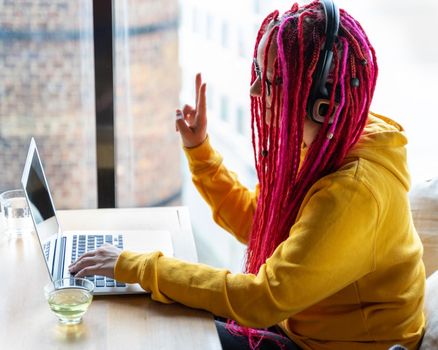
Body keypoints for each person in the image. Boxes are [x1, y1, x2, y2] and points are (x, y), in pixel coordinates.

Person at [69, 1, 426, 349]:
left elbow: (262, 298)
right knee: (160, 311)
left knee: (167, 333)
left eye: (270, 81)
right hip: (299, 324)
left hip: (333, 344)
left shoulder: (354, 192)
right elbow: (262, 224)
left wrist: (138, 266)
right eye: (257, 73)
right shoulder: (327, 139)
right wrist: (202, 153)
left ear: (322, 100)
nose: (255, 91)